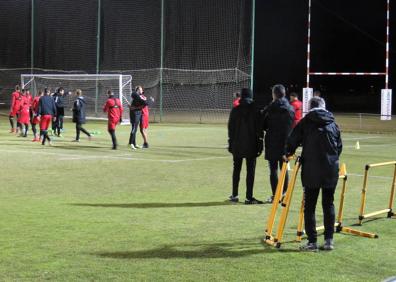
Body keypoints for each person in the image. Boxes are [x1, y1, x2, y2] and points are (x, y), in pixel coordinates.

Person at [286, 97, 342, 251]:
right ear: (324, 107)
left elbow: (293, 140)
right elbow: (339, 147)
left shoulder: (306, 122)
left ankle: (312, 242)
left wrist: (288, 152)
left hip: (311, 169)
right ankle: (329, 240)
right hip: (330, 168)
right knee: (328, 203)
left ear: (310, 107)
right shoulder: (333, 124)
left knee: (310, 206)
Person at [228, 88, 264, 205]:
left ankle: (234, 195)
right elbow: (259, 130)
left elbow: (230, 128)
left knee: (236, 169)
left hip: (237, 144)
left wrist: (230, 142)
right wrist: (260, 144)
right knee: (250, 171)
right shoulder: (256, 110)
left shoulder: (235, 110)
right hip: (252, 144)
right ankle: (249, 197)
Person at [262, 84, 295, 203]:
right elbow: (292, 125)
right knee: (284, 168)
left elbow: (263, 123)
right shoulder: (290, 108)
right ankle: (284, 193)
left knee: (273, 169)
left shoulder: (270, 108)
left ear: (274, 94)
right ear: (284, 94)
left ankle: (275, 195)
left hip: (272, 142)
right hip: (286, 143)